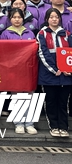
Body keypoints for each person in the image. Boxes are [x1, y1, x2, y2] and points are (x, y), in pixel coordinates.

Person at [37, 8, 72, 137]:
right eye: (51, 17)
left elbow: (70, 53)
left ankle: (63, 127)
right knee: (51, 101)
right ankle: (54, 126)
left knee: (63, 102)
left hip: (66, 76)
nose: (54, 19)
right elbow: (42, 53)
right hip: (49, 75)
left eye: (56, 17)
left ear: (60, 19)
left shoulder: (67, 34)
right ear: (47, 19)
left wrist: (68, 69)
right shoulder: (42, 34)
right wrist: (54, 69)